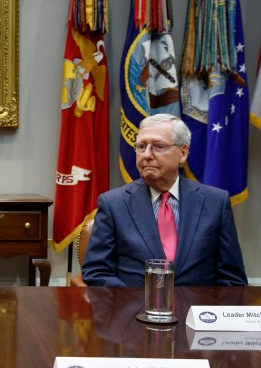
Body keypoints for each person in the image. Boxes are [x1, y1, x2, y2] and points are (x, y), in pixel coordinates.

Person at [82, 113, 247, 287]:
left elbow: (232, 279)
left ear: (182, 153)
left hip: (197, 310)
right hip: (135, 311)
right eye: (141, 146)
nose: (146, 155)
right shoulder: (113, 204)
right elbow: (97, 273)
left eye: (158, 146)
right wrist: (138, 302)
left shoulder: (215, 202)